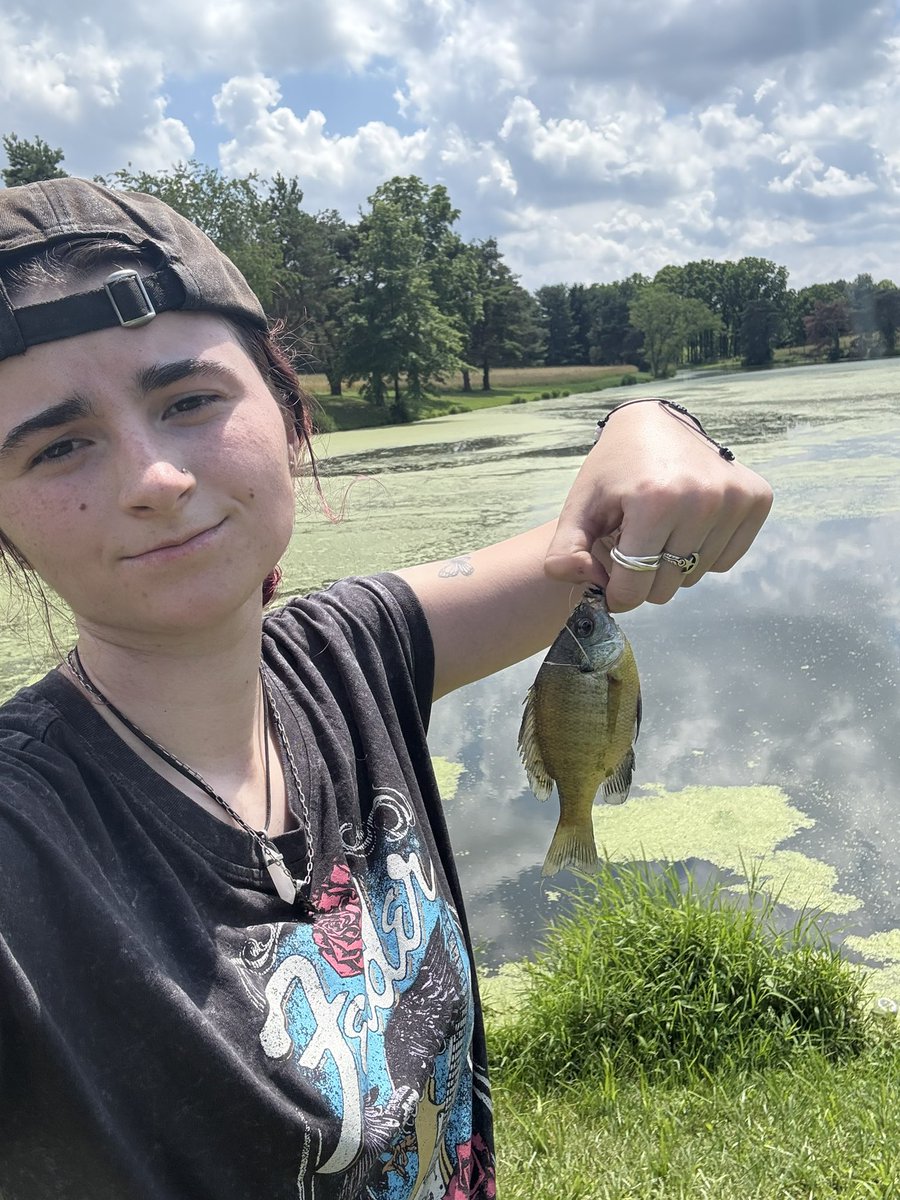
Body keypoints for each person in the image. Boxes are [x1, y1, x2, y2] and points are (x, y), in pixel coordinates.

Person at [0, 177, 772, 1200]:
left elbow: (585, 549)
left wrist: (652, 418)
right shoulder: (24, 842)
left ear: (285, 414)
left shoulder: (349, 655)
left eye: (188, 400)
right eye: (60, 445)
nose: (155, 478)